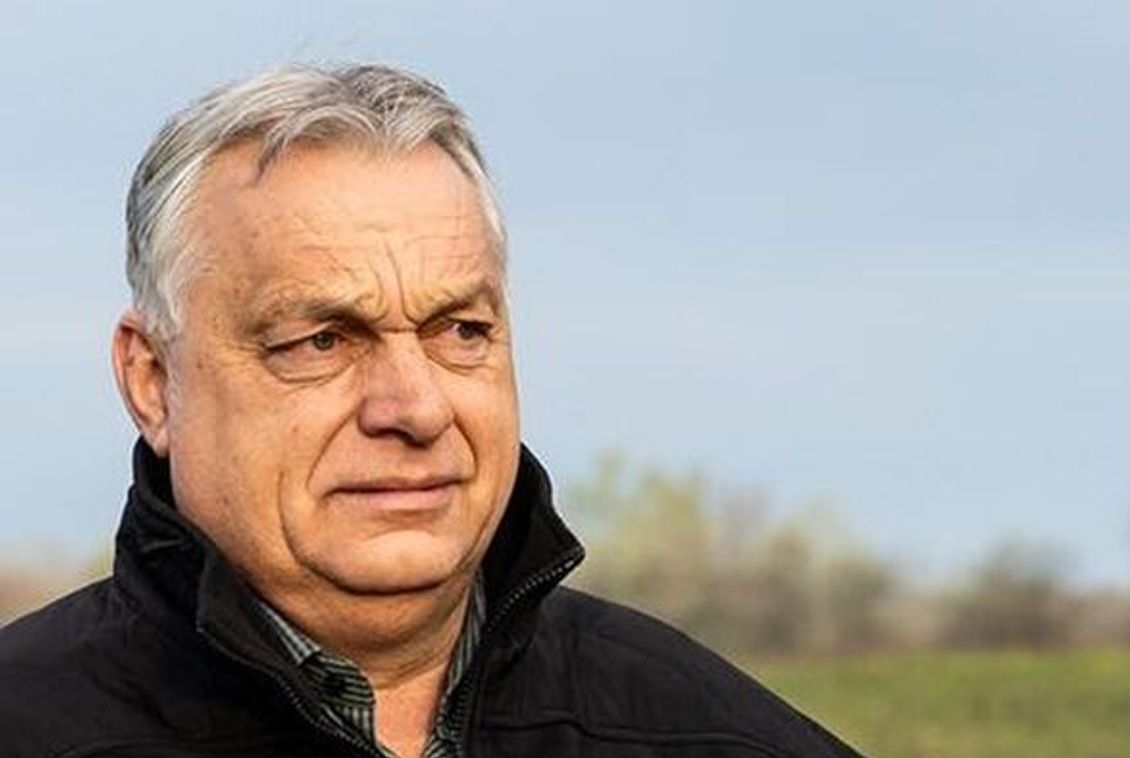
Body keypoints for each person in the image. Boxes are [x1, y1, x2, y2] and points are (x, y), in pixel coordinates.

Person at [0, 63, 858, 757]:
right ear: (152, 380)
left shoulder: (703, 730)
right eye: (321, 341)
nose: (415, 408)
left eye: (460, 330)